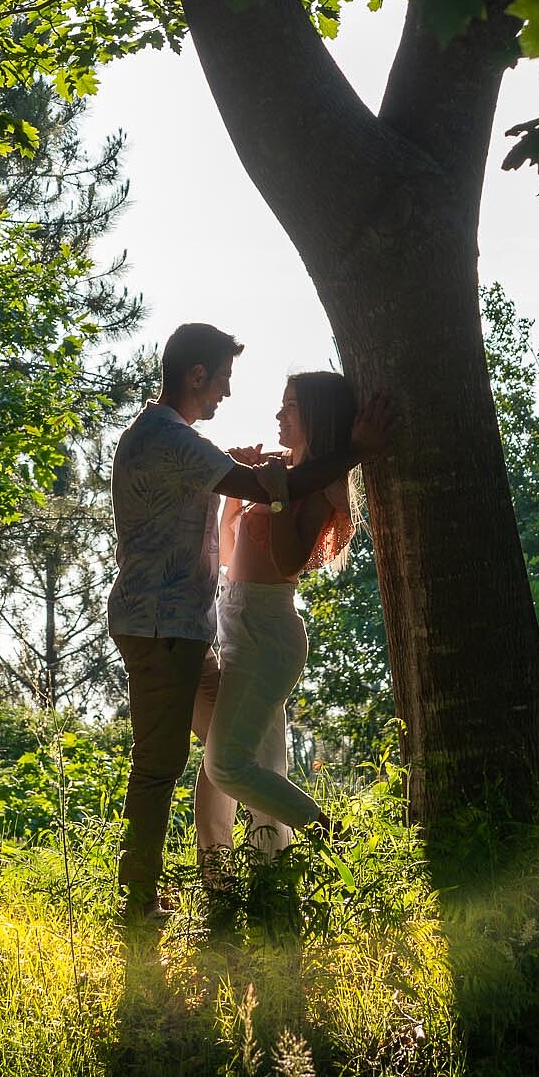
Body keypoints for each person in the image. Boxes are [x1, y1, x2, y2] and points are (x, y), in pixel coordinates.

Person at [107, 324, 380, 923]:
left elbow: (261, 494)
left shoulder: (173, 437)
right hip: (161, 628)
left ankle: (241, 882)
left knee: (229, 757)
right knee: (162, 765)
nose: (228, 395)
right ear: (197, 375)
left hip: (191, 629)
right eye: (223, 380)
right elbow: (261, 487)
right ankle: (141, 905)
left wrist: (265, 475)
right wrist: (354, 452)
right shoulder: (169, 437)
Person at [203, 372, 358, 855]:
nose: (277, 415)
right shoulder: (284, 472)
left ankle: (333, 838)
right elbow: (231, 551)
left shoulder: (314, 491)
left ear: (316, 418)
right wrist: (242, 488)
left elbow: (287, 561)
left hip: (266, 630)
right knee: (260, 762)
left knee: (225, 764)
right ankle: (268, 867)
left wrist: (272, 494)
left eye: (289, 407)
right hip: (238, 621)